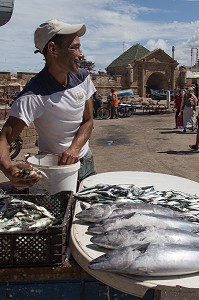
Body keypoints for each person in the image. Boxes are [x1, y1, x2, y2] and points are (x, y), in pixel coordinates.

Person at [0, 19, 96, 189]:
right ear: (53, 49)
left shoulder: (83, 77)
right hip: (54, 169)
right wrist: (8, 168)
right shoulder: (34, 95)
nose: (81, 54)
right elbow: (5, 139)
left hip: (86, 161)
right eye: (74, 47)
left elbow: (88, 121)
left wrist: (74, 149)